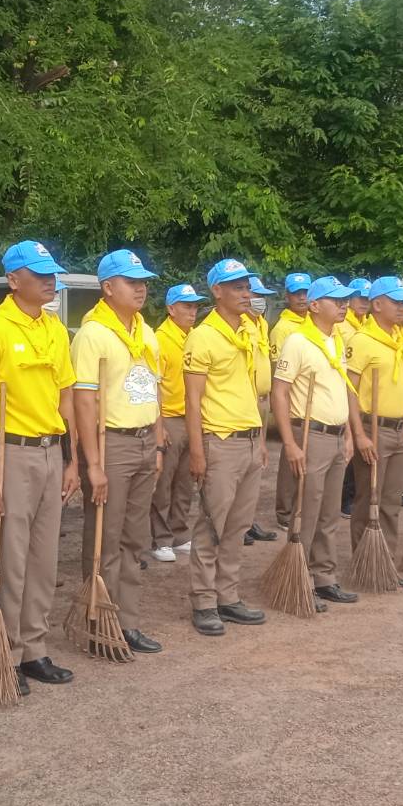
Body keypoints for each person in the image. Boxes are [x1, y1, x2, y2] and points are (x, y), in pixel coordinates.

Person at [0, 240, 80, 695]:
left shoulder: (55, 328)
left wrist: (71, 459)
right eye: (40, 274)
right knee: (10, 558)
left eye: (52, 273)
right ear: (14, 280)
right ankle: (7, 650)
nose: (50, 281)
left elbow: (66, 397)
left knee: (44, 557)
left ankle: (35, 647)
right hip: (11, 451)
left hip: (51, 450)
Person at [73, 249, 165, 655]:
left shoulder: (146, 332)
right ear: (108, 287)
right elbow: (84, 402)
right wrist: (93, 463)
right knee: (105, 539)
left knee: (134, 539)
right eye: (131, 281)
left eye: (143, 281)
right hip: (112, 442)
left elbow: (153, 390)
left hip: (144, 440)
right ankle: (99, 623)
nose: (140, 288)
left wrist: (158, 442)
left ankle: (127, 621)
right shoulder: (93, 334)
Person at [183, 258, 269, 636]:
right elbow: (192, 400)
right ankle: (204, 601)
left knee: (238, 526)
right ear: (217, 291)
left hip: (248, 438)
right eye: (237, 287)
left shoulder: (249, 330)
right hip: (219, 441)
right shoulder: (203, 336)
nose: (246, 294)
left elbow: (255, 390)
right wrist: (197, 452)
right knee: (211, 526)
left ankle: (228, 595)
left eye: (247, 287)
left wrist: (260, 440)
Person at [272, 276, 360, 605]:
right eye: (336, 300)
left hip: (336, 435)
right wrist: (290, 443)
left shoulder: (336, 339)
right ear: (315, 305)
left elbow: (340, 390)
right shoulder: (297, 341)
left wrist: (349, 434)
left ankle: (324, 575)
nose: (343, 306)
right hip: (311, 433)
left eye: (344, 300)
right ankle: (297, 577)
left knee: (329, 511)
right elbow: (280, 392)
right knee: (306, 509)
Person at [346, 276, 403, 577]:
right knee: (369, 498)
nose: (402, 307)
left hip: (397, 429)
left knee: (392, 501)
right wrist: (359, 435)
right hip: (372, 427)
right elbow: (350, 391)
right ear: (377, 304)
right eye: (396, 301)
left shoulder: (400, 339)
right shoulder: (362, 341)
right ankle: (364, 562)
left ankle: (386, 560)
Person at [150, 283, 205, 563]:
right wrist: (158, 425)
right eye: (186, 306)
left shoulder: (194, 337)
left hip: (191, 417)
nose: (192, 311)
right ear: (171, 309)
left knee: (185, 481)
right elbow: (154, 386)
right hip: (170, 417)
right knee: (164, 482)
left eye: (195, 306)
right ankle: (160, 538)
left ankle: (179, 533)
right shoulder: (160, 339)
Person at [272, 271, 314, 530]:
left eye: (305, 292)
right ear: (287, 296)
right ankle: (284, 512)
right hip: (294, 401)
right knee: (290, 461)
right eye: (296, 293)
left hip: (313, 404)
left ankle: (301, 508)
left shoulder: (313, 323)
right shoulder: (283, 328)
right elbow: (278, 371)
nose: (302, 297)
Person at [243, 275, 279, 546]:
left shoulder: (262, 324)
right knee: (241, 464)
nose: (260, 301)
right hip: (245, 400)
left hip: (261, 400)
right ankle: (236, 524)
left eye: (262, 297)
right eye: (256, 296)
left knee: (256, 462)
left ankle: (248, 520)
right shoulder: (240, 325)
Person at [336, 277, 372, 518]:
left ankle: (352, 494)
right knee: (347, 448)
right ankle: (344, 497)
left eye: (367, 298)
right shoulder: (341, 325)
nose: (364, 302)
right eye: (360, 298)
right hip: (345, 387)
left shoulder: (365, 324)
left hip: (362, 390)